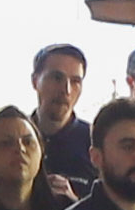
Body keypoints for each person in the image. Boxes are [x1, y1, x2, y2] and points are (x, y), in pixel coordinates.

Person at [28, 42, 92, 193]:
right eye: (57, 78)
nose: (66, 90)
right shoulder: (13, 138)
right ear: (35, 81)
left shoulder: (96, 141)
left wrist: (74, 204)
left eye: (75, 81)